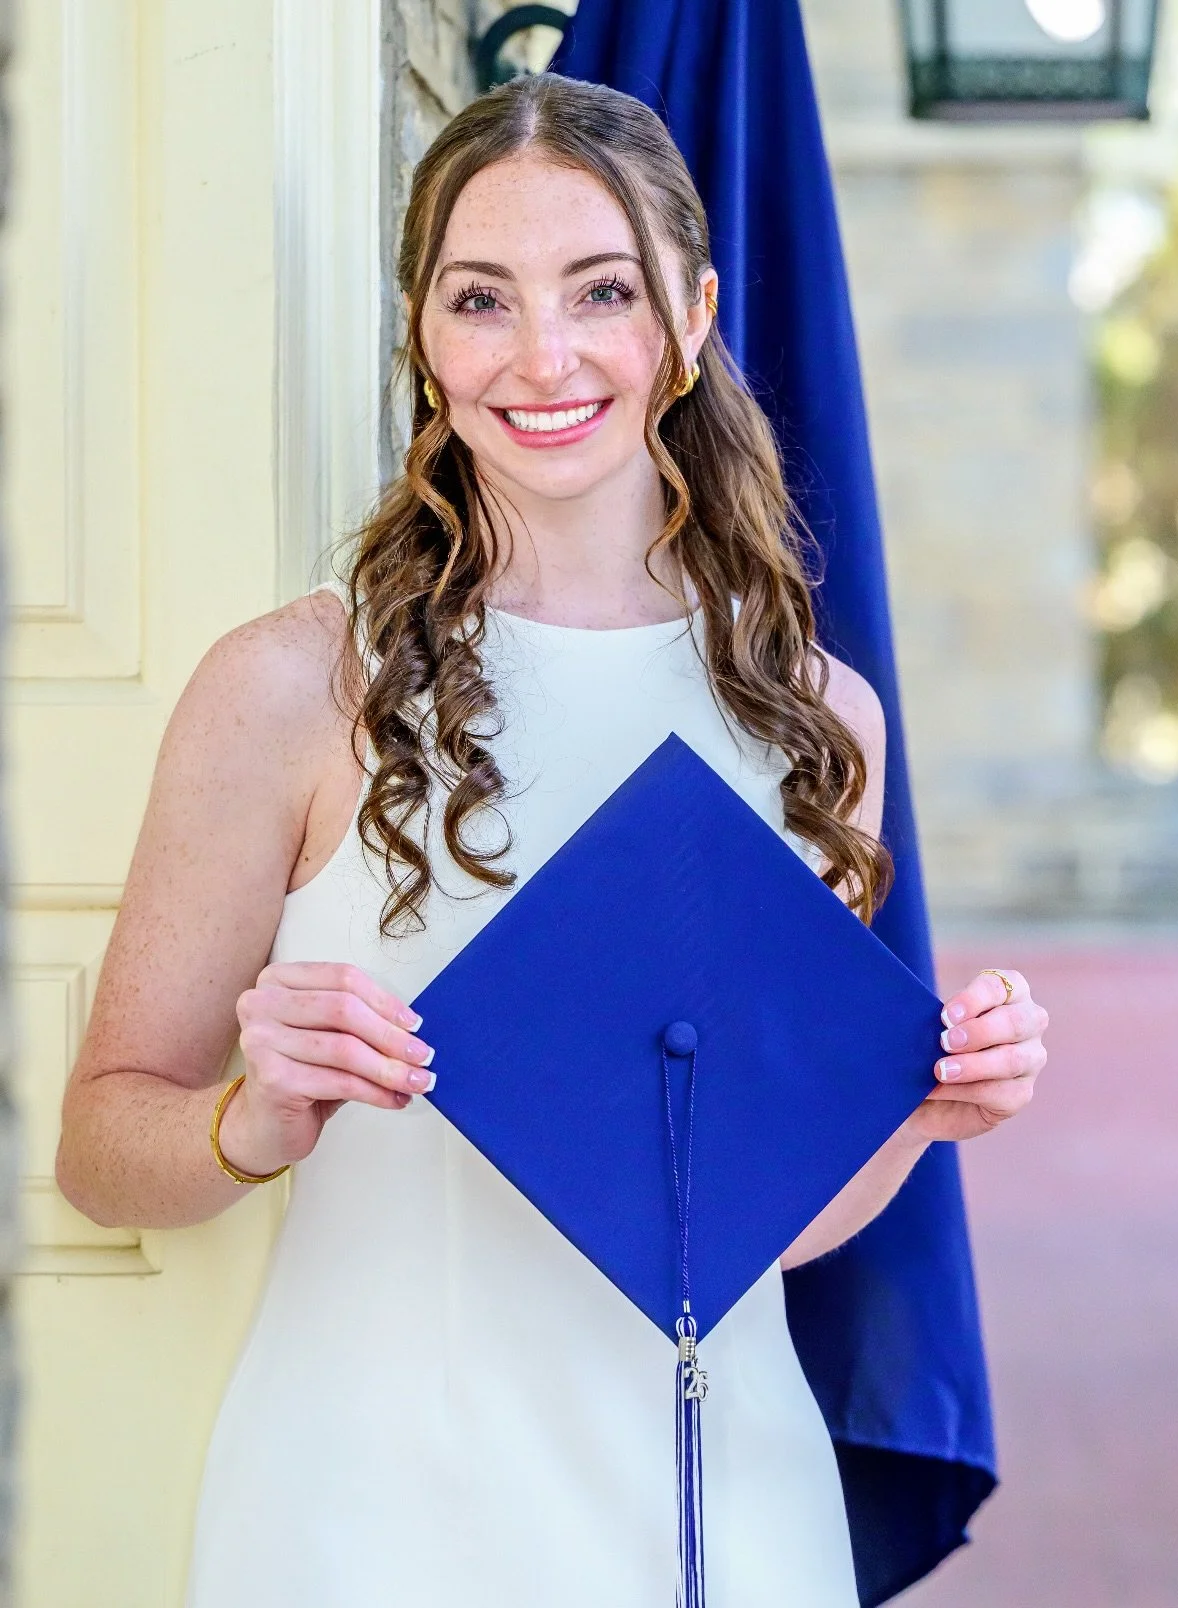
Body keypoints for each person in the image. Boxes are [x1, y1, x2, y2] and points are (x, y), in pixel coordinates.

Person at [56, 72, 1048, 1608]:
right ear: (423, 335)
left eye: (603, 291)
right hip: (367, 1513)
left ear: (695, 311)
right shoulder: (291, 687)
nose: (543, 356)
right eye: (480, 299)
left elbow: (770, 1239)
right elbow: (102, 1152)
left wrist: (922, 1110)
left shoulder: (815, 714)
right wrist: (253, 1116)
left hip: (722, 1514)